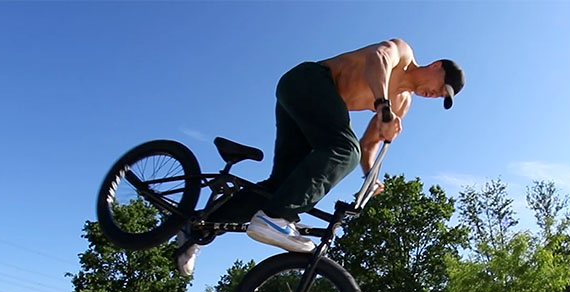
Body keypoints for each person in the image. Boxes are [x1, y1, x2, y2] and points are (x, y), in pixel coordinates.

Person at [176, 38, 465, 275]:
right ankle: (276, 218)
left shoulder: (401, 104)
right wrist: (382, 106)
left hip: (307, 106)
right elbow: (378, 58)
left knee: (282, 185)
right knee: (343, 149)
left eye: (443, 97)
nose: (437, 94)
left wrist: (370, 177)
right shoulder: (402, 54)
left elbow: (367, 145)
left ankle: (197, 227)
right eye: (442, 87)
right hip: (308, 80)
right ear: (436, 65)